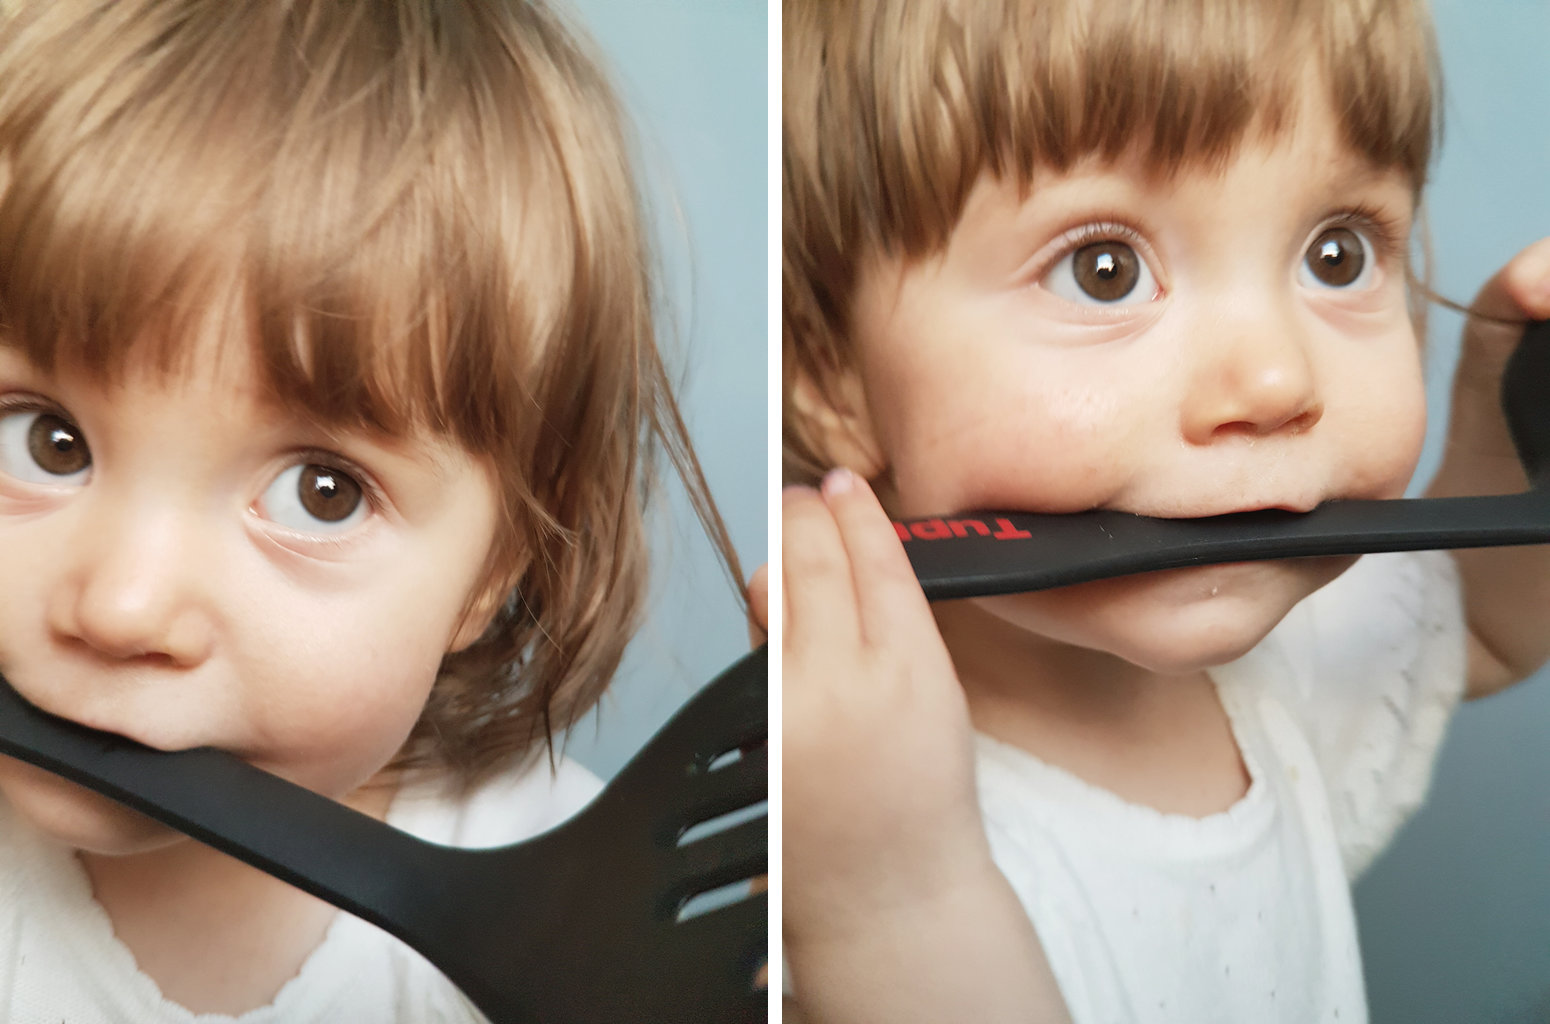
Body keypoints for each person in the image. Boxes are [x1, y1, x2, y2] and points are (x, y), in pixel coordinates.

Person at [781, 0, 1550, 1021]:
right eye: (1103, 271)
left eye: (1336, 254)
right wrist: (880, 903)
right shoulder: (835, 822)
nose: (1275, 378)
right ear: (833, 375)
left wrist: (1512, 423)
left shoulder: (1284, 663)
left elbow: (1483, 624)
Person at [0, 0, 753, 1020]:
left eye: (322, 493)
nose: (123, 608)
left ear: (491, 575)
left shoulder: (569, 906)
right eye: (48, 441)